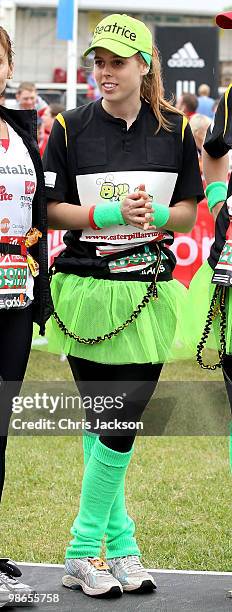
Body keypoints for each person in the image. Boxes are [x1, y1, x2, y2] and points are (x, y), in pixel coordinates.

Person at [43, 13, 204, 600]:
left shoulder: (178, 130)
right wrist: (103, 215)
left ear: (145, 66)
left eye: (117, 62)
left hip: (148, 292)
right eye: (99, 63)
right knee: (107, 421)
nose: (105, 72)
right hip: (85, 288)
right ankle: (107, 551)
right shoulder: (68, 125)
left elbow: (187, 209)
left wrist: (155, 217)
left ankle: (92, 548)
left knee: (120, 422)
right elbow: (51, 210)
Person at [0, 26, 53, 607]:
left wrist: (29, 252)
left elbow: (36, 213)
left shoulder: (21, 128)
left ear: (9, 67)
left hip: (14, 300)